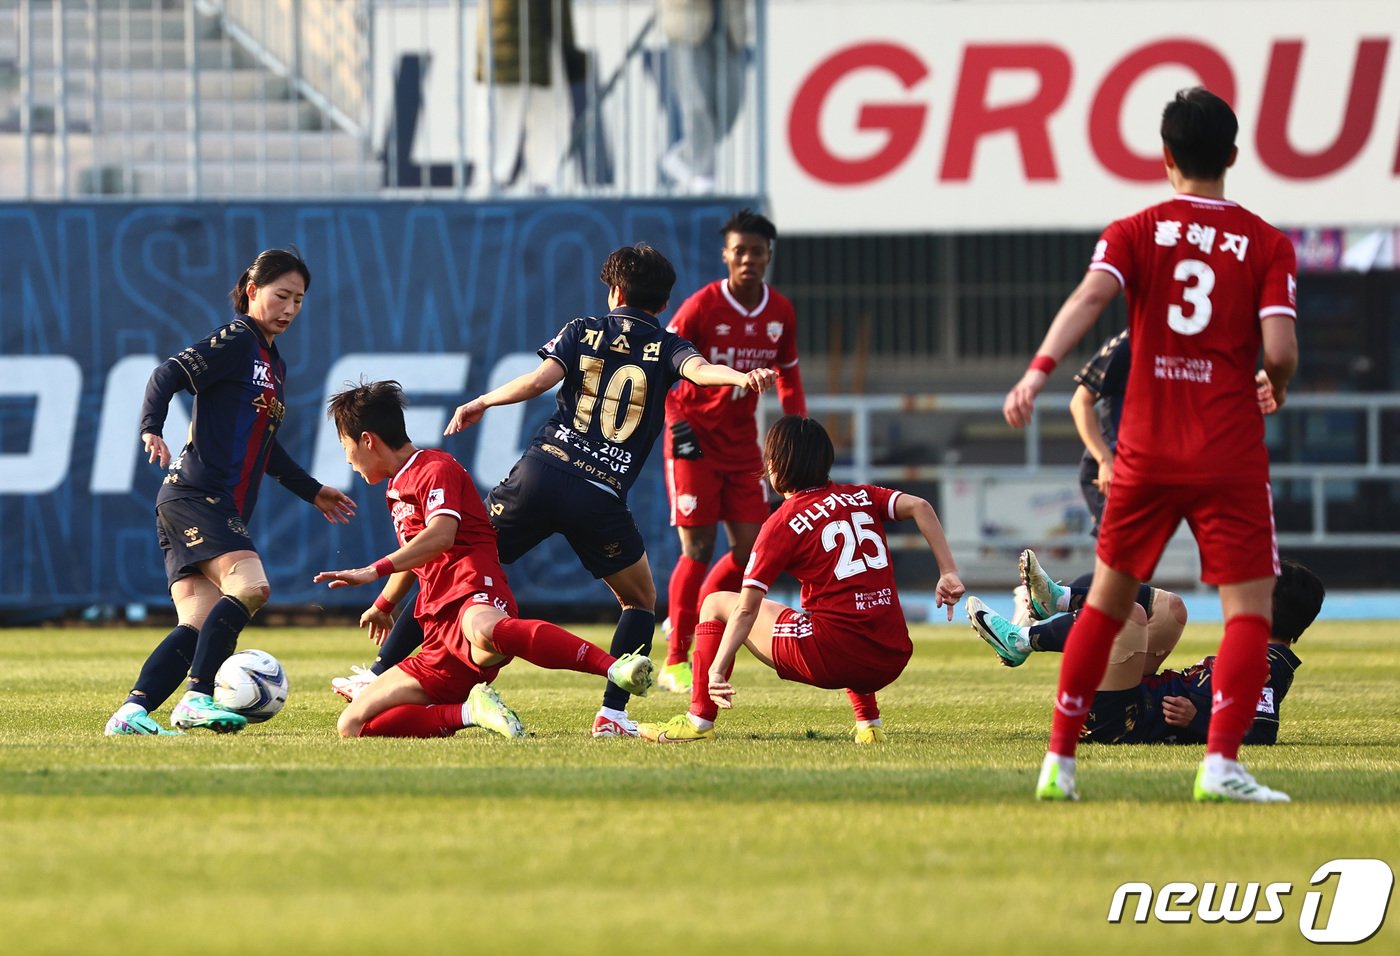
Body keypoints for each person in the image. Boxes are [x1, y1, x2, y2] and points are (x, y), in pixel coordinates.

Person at [1002, 87, 1299, 803]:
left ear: (1165, 156)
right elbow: (1281, 346)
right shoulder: (1266, 242)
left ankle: (1058, 763)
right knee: (1247, 614)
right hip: (1227, 450)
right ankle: (1221, 766)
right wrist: (1275, 383)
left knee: (1106, 605)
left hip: (1146, 450)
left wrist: (1037, 371)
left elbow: (1087, 299)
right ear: (1232, 155)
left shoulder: (1133, 229)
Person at [443, 242, 777, 739]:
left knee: (452, 564)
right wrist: (742, 377)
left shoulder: (582, 329)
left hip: (542, 471)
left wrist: (483, 402)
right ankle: (611, 715)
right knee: (640, 602)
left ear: (614, 290)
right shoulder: (666, 344)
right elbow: (702, 373)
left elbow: (538, 382)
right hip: (597, 494)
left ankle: (382, 671)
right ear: (664, 304)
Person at [104, 247, 358, 736]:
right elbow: (167, 374)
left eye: (299, 300)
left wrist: (313, 491)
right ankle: (197, 699)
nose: (289, 309)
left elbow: (264, 446)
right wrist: (151, 427)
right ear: (251, 291)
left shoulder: (273, 362)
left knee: (197, 622)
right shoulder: (239, 339)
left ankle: (132, 712)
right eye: (281, 295)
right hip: (201, 494)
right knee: (251, 587)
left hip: (189, 499)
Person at [314, 380, 657, 739]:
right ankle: (469, 712)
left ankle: (613, 667)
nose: (348, 460)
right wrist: (384, 603)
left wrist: (373, 570)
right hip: (436, 627)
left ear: (367, 440)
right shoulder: (397, 485)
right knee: (351, 725)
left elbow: (441, 535)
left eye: (345, 447)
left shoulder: (434, 467)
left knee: (484, 630)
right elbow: (418, 557)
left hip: (472, 591)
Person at [639, 415, 965, 744]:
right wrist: (948, 572)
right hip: (893, 655)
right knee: (842, 609)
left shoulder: (783, 521)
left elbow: (746, 610)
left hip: (833, 657)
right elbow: (920, 506)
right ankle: (869, 725)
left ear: (777, 464)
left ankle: (698, 720)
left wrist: (717, 668)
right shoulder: (862, 495)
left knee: (715, 602)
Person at [660, 208, 806, 696]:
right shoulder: (702, 306)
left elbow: (789, 377)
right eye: (738, 250)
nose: (747, 259)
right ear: (726, 255)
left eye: (756, 251)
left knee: (750, 551)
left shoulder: (780, 311)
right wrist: (676, 426)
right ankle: (677, 656)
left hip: (743, 445)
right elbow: (668, 363)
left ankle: (703, 607)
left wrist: (797, 433)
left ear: (768, 256)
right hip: (694, 438)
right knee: (697, 548)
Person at [968, 552, 1323, 747]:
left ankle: (1020, 641)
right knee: (1172, 608)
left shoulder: (1265, 666)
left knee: (1127, 616)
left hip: (1123, 722)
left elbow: (1262, 732)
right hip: (1135, 699)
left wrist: (1196, 721)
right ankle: (1058, 600)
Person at [659, 0, 748, 193]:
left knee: (730, 106)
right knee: (695, 103)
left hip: (728, 23)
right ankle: (704, 175)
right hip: (687, 22)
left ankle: (684, 155)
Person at [1069, 330, 1130, 534]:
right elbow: (1080, 403)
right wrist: (1105, 460)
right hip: (1111, 468)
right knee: (1121, 555)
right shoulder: (1125, 345)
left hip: (1152, 468)